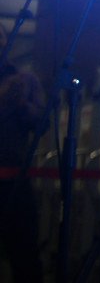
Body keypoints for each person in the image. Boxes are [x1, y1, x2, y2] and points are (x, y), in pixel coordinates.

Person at [0, 22, 45, 282]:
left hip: (13, 179)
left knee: (24, 252)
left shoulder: (23, 79)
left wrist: (22, 105)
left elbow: (41, 122)